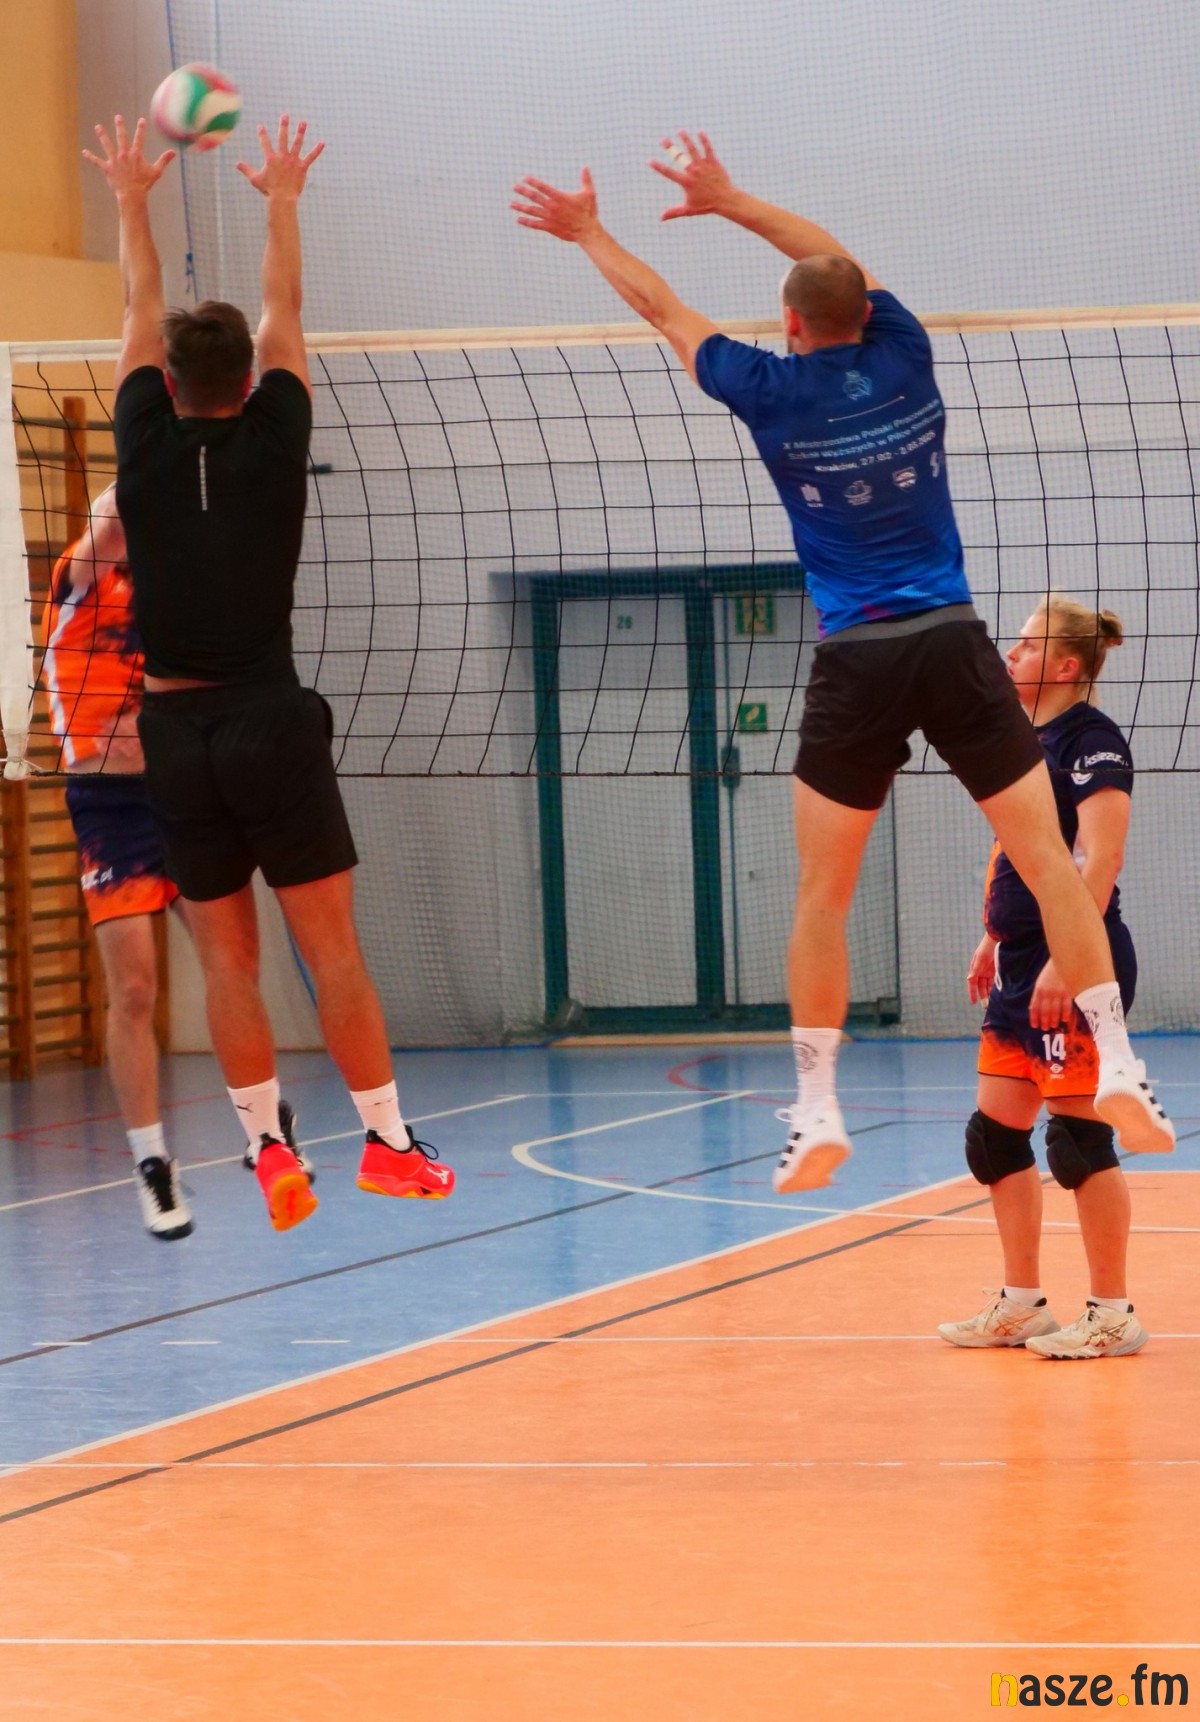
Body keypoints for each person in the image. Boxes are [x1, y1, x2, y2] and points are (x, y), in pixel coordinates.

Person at [512, 132, 1174, 1191]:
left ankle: (818, 1107)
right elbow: (833, 260)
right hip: (951, 641)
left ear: (790, 326)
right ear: (865, 310)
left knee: (823, 894)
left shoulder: (766, 387)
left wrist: (590, 230)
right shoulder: (904, 353)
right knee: (1052, 864)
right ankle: (1123, 1066)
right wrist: (732, 200)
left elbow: (662, 307)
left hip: (855, 658)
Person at [85, 114, 453, 1230]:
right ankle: (387, 1143)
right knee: (331, 949)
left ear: (167, 382)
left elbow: (140, 308)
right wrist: (282, 199)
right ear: (249, 381)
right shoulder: (278, 432)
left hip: (174, 736)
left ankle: (265, 1149)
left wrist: (131, 199)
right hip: (268, 721)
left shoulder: (138, 442)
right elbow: (285, 308)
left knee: (229, 962)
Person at [41, 489, 311, 1241]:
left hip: (185, 795)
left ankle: (265, 1131)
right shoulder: (81, 575)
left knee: (235, 968)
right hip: (110, 810)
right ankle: (152, 1162)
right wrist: (153, 454)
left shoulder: (180, 594)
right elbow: (110, 521)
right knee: (134, 989)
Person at [940, 599, 1148, 1358]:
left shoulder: (1093, 740)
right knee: (994, 1139)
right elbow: (1018, 847)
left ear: (1064, 666)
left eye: (1026, 647)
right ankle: (1022, 1304)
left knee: (1078, 1140)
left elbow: (1101, 858)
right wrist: (993, 934)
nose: (1010, 655)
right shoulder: (1020, 742)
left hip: (1075, 960)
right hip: (1019, 962)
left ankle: (1113, 1313)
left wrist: (1069, 956)